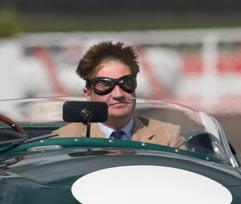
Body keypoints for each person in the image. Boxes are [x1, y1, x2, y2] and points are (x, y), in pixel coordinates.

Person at [55, 41, 184, 148]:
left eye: (126, 83)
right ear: (88, 94)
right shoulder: (66, 140)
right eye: (105, 85)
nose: (118, 94)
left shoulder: (168, 138)